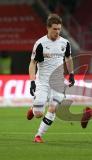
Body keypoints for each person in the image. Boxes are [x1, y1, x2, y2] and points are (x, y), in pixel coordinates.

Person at [26, 13, 75, 143]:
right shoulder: (40, 44)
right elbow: (33, 63)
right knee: (38, 113)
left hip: (58, 82)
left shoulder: (65, 43)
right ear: (48, 28)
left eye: (59, 29)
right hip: (42, 82)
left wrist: (71, 73)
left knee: (53, 108)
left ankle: (38, 135)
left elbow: (68, 58)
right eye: (54, 29)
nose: (57, 32)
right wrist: (32, 82)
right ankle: (33, 109)